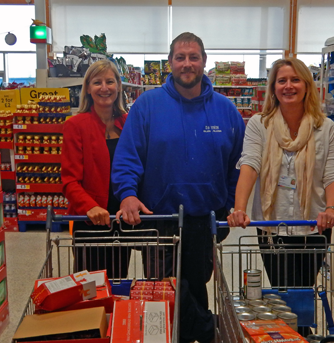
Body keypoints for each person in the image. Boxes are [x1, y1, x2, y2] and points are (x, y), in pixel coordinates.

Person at [111, 32, 245, 343]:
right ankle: (210, 332)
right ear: (170, 62)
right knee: (167, 292)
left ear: (204, 62)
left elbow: (239, 164)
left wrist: (229, 205)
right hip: (159, 220)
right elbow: (128, 156)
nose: (187, 63)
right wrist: (128, 194)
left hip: (205, 220)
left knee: (196, 288)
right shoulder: (147, 106)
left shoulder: (226, 110)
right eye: (180, 57)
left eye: (193, 57)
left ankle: (200, 333)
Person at [226, 58, 334, 333]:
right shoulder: (260, 124)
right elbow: (250, 164)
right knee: (281, 289)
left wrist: (332, 208)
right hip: (272, 225)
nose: (288, 86)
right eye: (281, 81)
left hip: (314, 225)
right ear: (273, 88)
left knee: (303, 289)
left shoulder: (324, 127)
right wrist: (239, 208)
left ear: (306, 85)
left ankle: (300, 332)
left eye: (295, 80)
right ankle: (291, 333)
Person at [61, 59, 130, 278]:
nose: (104, 88)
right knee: (90, 286)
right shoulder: (75, 125)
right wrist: (90, 207)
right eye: (97, 82)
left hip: (121, 218)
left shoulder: (128, 122)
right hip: (90, 220)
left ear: (118, 86)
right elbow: (69, 181)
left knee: (118, 279)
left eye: (110, 81)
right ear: (88, 89)